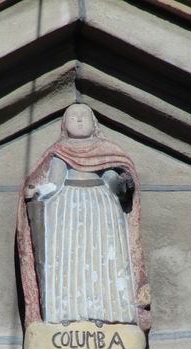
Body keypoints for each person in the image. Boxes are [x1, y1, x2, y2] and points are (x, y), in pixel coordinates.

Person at [17, 104, 151, 337]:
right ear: (64, 125)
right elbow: (54, 183)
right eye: (73, 117)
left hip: (101, 208)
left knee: (104, 259)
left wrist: (125, 184)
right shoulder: (59, 153)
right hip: (66, 209)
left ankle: (109, 315)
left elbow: (114, 182)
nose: (79, 121)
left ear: (94, 123)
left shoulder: (107, 152)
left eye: (84, 117)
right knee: (69, 259)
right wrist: (36, 191)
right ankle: (66, 315)